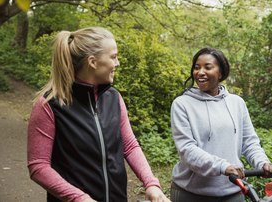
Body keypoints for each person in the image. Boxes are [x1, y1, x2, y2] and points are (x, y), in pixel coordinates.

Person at [27, 27, 170, 202]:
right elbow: (38, 167)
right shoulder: (49, 105)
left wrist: (151, 183)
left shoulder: (114, 98)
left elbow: (130, 146)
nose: (117, 63)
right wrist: (80, 199)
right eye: (113, 57)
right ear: (93, 62)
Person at [170, 47, 272, 202]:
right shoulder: (182, 104)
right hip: (191, 193)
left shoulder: (237, 103)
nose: (200, 72)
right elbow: (187, 149)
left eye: (207, 67)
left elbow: (249, 142)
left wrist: (263, 163)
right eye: (196, 67)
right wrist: (223, 167)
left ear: (221, 73)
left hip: (232, 191)